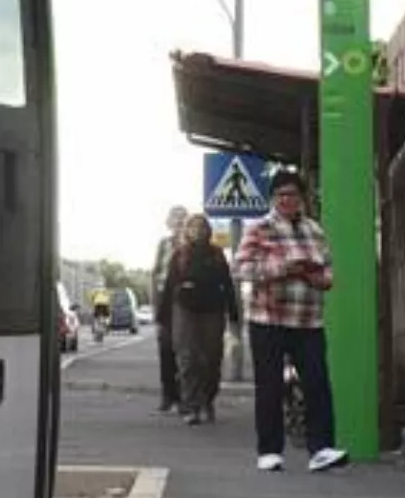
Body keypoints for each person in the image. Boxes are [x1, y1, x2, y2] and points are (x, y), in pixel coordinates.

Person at [233, 169, 348, 473]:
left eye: (293, 195)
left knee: (317, 384)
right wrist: (283, 268)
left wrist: (310, 273)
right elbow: (242, 268)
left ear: (302, 198)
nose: (287, 200)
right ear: (273, 198)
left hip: (308, 320)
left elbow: (329, 276)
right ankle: (269, 450)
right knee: (269, 385)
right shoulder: (259, 229)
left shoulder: (315, 230)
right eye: (281, 195)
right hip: (267, 319)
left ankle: (321, 447)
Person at [157, 213, 239, 425]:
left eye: (202, 227)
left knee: (211, 359)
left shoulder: (217, 254)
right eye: (193, 227)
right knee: (187, 358)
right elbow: (169, 286)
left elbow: (227, 284)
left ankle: (208, 399)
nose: (198, 231)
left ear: (208, 231)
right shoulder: (180, 254)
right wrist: (163, 318)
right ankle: (190, 406)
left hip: (212, 310)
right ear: (187, 231)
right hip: (185, 310)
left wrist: (233, 312)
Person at [148, 206, 188, 414]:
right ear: (169, 223)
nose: (179, 222)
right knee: (165, 350)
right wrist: (155, 304)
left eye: (183, 218)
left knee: (185, 351)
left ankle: (184, 397)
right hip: (166, 302)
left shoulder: (193, 245)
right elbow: (155, 274)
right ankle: (168, 395)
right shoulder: (163, 245)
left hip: (187, 303)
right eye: (175, 218)